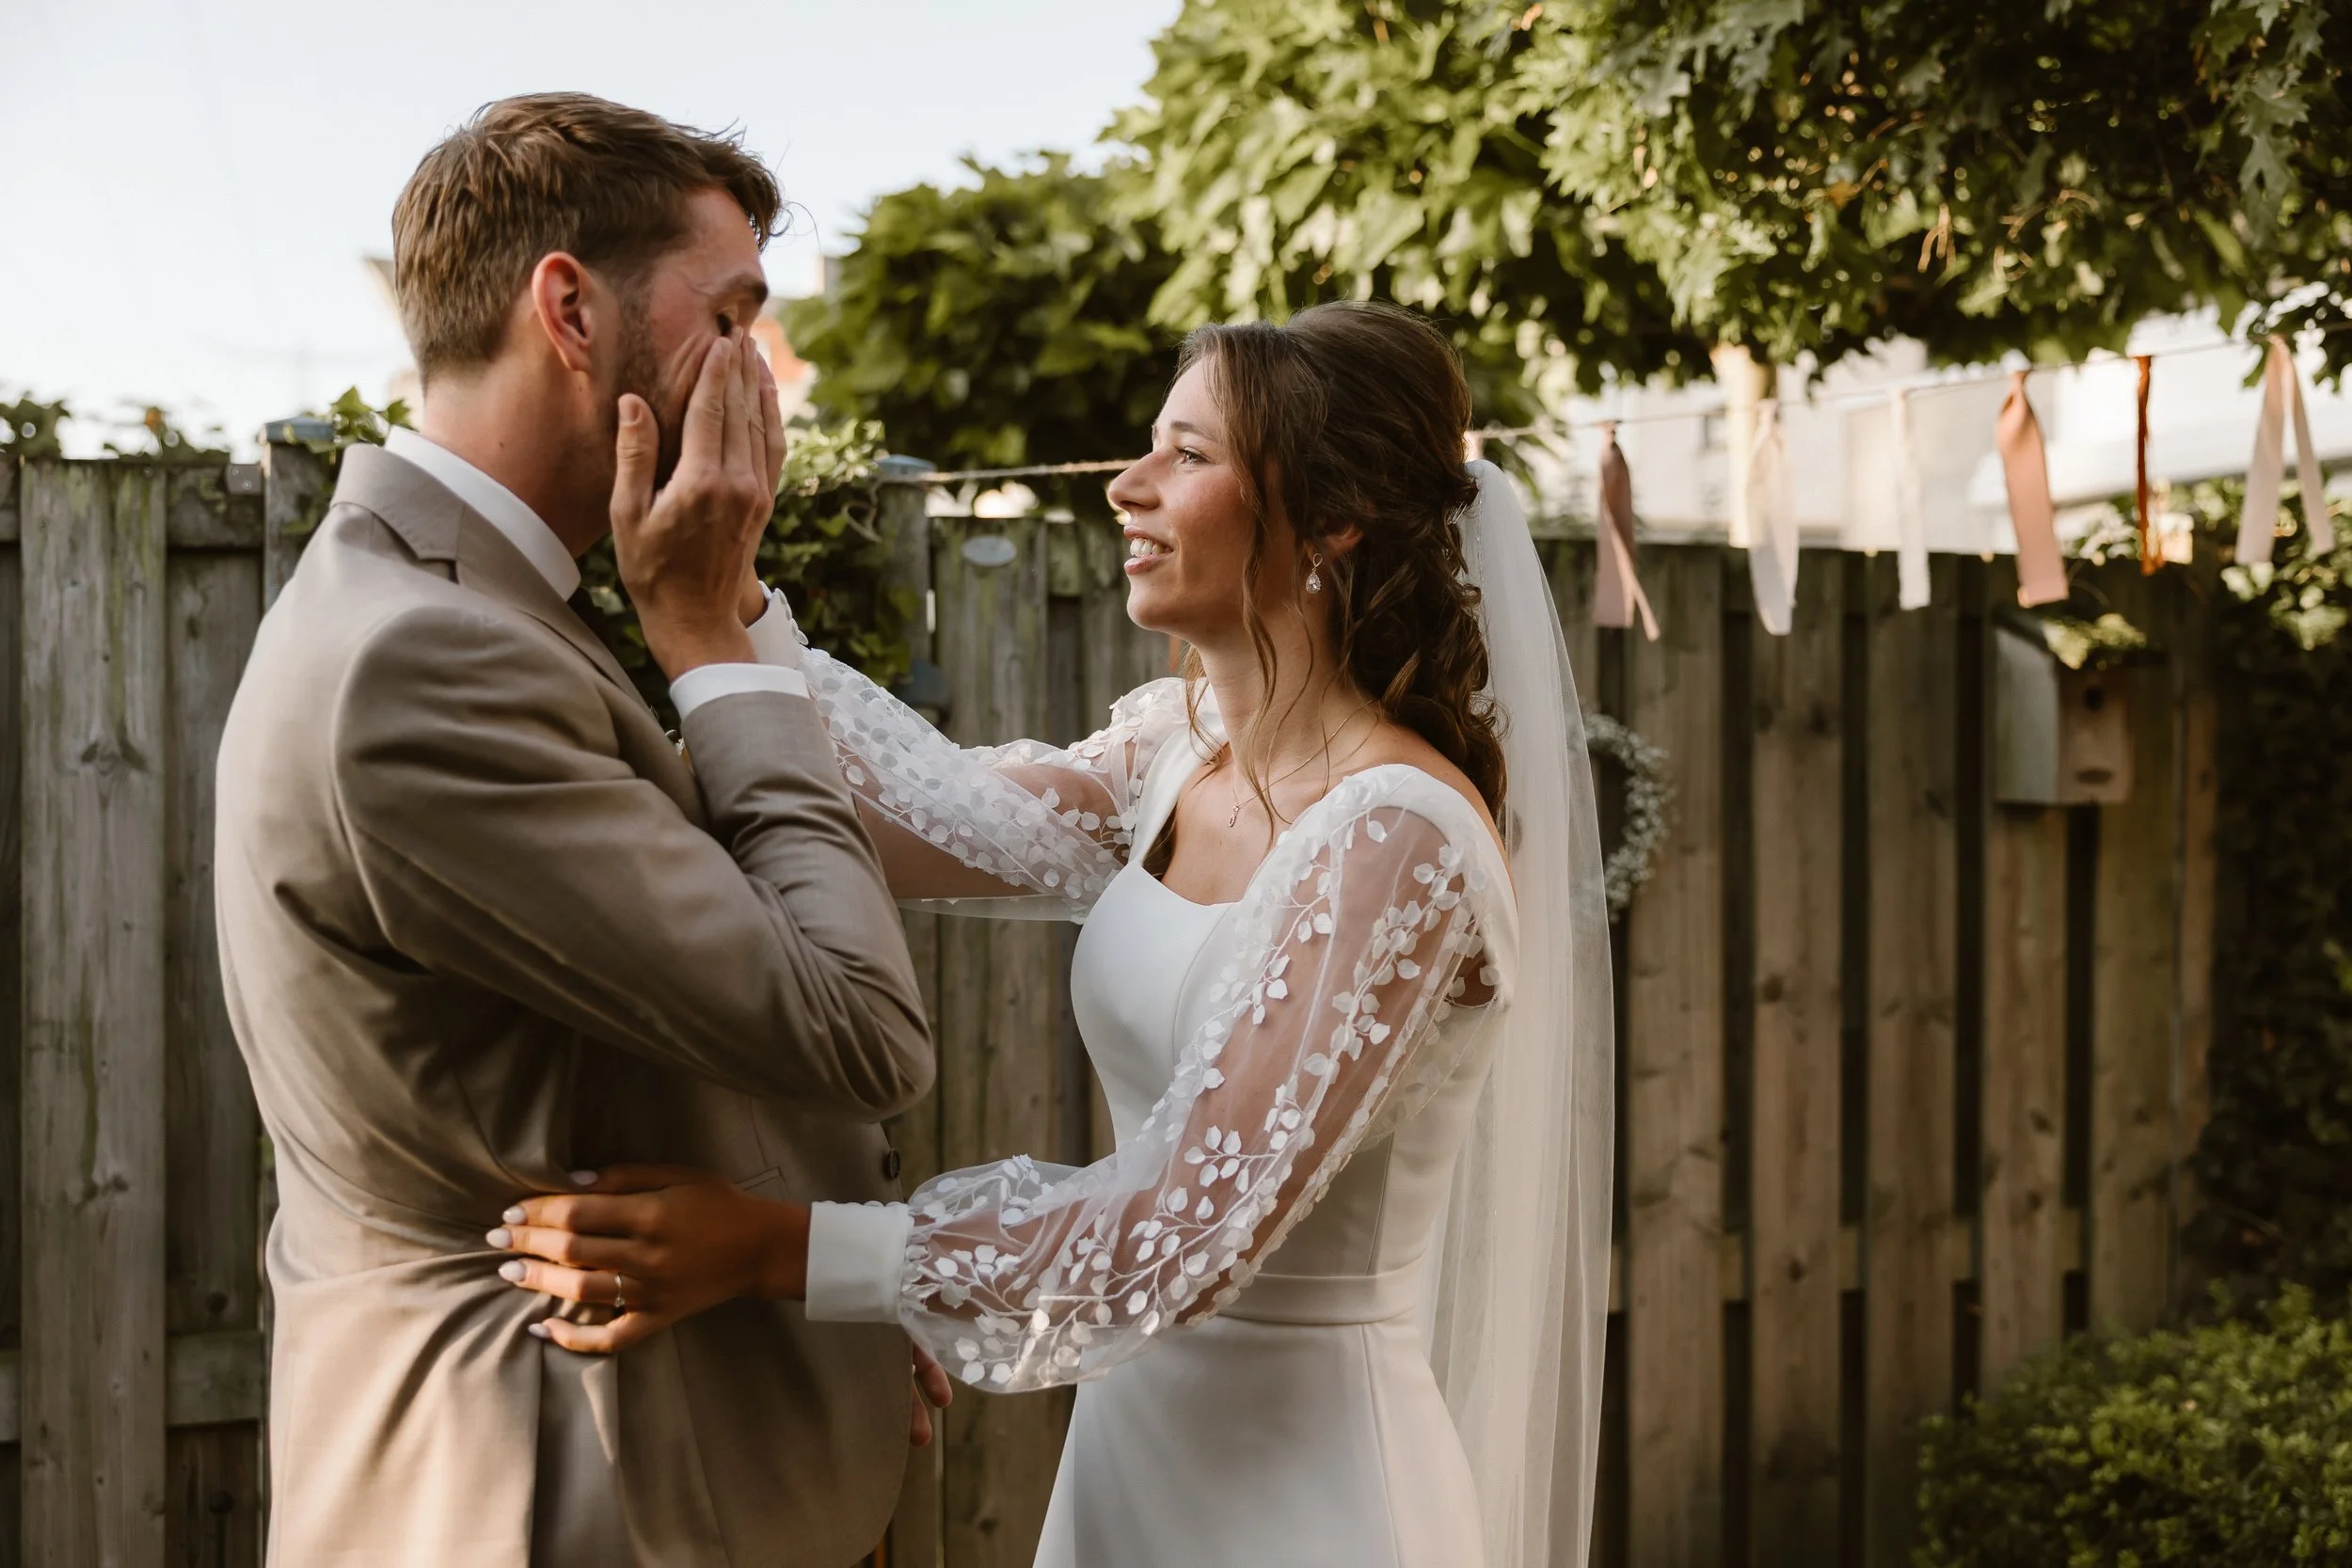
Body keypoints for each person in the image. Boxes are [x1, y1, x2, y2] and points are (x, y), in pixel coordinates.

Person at [496, 301, 1615, 1568]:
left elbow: (1179, 1232)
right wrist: (730, 589)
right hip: (1134, 1455)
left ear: (1336, 515)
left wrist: (773, 1247)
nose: (1129, 489)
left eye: (1188, 457)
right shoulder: (1176, 759)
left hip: (1315, 1496)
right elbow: (914, 811)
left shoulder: (1395, 835)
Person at [214, 94, 940, 1568]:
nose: (760, 375)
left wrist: (823, 1317)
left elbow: (607, 1048)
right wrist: (711, 635)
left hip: (689, 1439)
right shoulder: (420, 658)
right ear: (569, 308)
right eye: (730, 316)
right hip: (555, 1482)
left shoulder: (483, 609)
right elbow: (860, 1026)